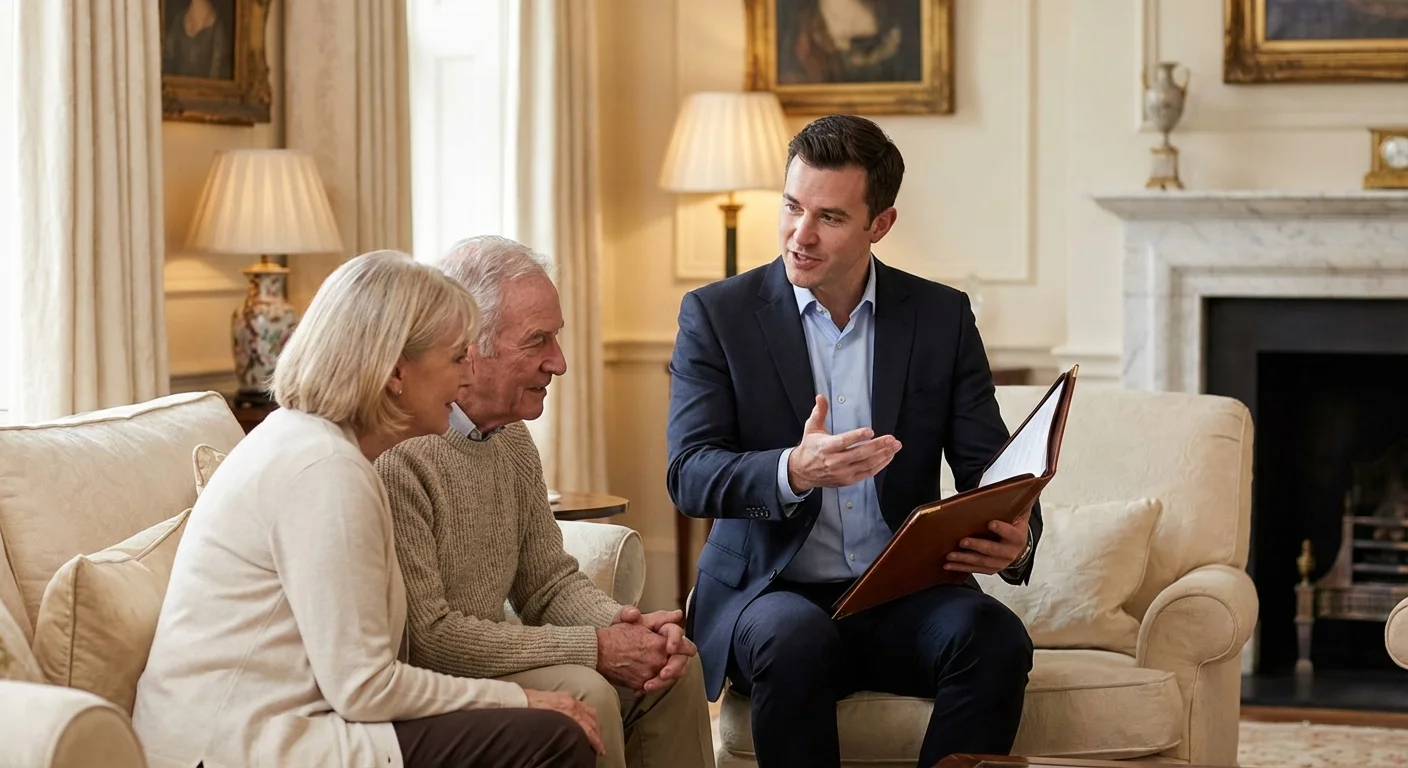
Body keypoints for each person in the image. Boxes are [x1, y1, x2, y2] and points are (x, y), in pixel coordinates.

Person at [665, 115, 1040, 767]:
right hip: (771, 596)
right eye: (791, 207)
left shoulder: (940, 317)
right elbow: (689, 473)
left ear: (880, 224)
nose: (800, 235)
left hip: (900, 595)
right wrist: (793, 470)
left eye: (830, 217)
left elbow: (989, 467)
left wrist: (1018, 537)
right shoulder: (717, 315)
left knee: (995, 637)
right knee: (793, 638)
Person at [133, 250, 599, 768]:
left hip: (279, 726)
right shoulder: (325, 471)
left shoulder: (320, 446)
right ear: (396, 371)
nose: (465, 380)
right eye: (455, 359)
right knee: (552, 736)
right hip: (234, 747)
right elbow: (365, 686)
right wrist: (519, 698)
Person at [375, 235, 716, 768]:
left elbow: (547, 584)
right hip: (432, 680)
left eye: (556, 338)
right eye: (537, 341)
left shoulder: (510, 437)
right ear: (470, 344)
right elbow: (428, 640)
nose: (558, 363)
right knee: (589, 689)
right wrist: (597, 647)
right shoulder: (398, 455)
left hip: (489, 660)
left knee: (675, 669)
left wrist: (629, 629)